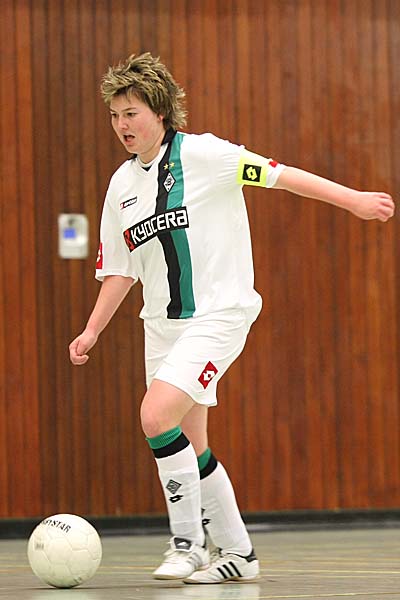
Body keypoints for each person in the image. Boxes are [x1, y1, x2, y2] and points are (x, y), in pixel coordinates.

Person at [69, 52, 395, 584]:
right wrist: (91, 331)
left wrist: (353, 199)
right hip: (161, 327)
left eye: (130, 113)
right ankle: (240, 554)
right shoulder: (121, 186)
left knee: (156, 417)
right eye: (114, 115)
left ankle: (187, 544)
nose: (121, 125)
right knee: (191, 444)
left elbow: (281, 176)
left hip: (218, 314)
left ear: (159, 111)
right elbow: (120, 272)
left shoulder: (206, 154)